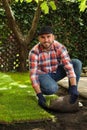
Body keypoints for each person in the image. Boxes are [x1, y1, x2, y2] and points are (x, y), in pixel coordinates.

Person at [29, 26, 82, 109]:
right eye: (43, 37)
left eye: (48, 37)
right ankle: (42, 88)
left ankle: (71, 96)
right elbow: (33, 76)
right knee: (52, 89)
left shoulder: (59, 47)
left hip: (55, 71)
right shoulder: (34, 52)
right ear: (39, 39)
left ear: (53, 37)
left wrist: (74, 87)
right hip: (42, 75)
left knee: (76, 63)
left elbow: (68, 67)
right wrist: (39, 95)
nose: (46, 40)